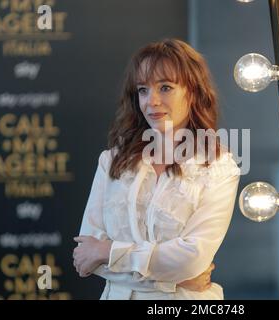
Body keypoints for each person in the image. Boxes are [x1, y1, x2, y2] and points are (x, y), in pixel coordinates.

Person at [72, 39, 241, 300]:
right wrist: (172, 280)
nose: (151, 101)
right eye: (142, 90)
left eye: (165, 88)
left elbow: (191, 259)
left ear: (193, 92)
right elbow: (85, 256)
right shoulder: (112, 160)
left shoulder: (220, 167)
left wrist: (108, 252)